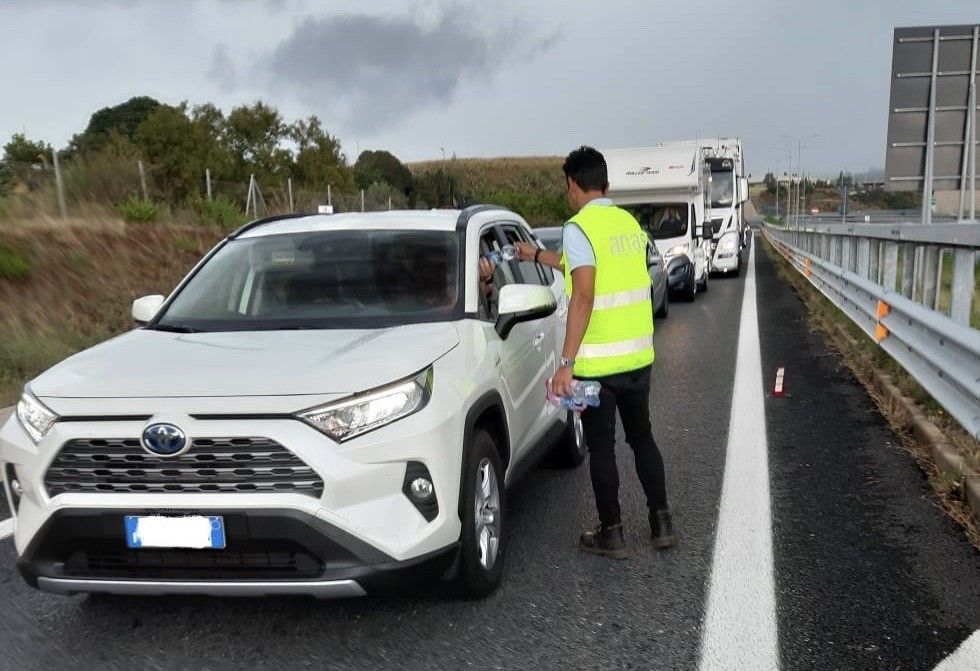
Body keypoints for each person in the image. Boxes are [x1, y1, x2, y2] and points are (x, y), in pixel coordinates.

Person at [514, 146, 677, 558]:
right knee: (642, 439)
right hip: (639, 356)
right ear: (605, 182)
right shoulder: (628, 224)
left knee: (602, 448)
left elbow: (583, 292)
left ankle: (613, 533)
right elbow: (580, 266)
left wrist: (565, 364)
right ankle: (661, 524)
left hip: (599, 365)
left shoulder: (579, 227)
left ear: (572, 184)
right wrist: (535, 255)